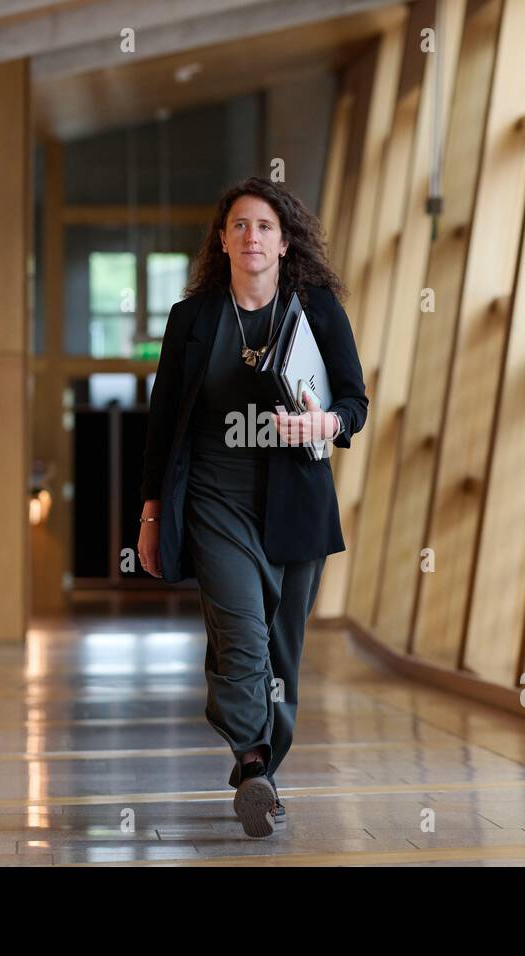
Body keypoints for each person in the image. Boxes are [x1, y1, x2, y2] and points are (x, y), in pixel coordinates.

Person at [137, 177, 368, 838]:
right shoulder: (193, 320)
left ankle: (265, 773)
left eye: (264, 226)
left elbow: (354, 403)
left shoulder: (317, 309)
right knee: (240, 636)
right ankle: (251, 755)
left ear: (285, 240)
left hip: (295, 500)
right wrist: (153, 516)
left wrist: (323, 424)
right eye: (239, 226)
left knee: (282, 651)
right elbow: (161, 428)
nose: (251, 237)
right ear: (222, 241)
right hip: (214, 499)